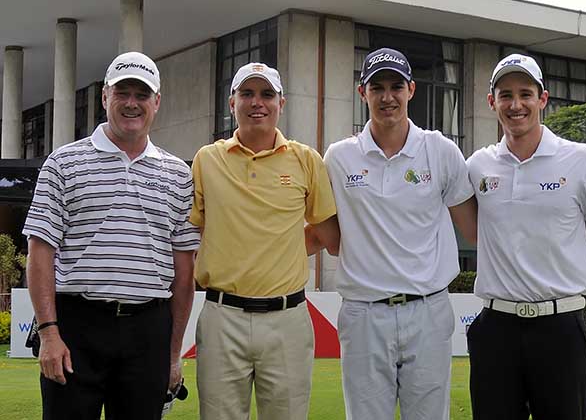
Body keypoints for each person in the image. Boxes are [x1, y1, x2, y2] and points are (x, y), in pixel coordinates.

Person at [23, 51, 200, 419]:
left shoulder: (178, 175)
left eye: (141, 95)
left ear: (157, 102)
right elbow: (40, 254)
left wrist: (172, 355)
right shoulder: (63, 163)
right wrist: (49, 334)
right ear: (105, 97)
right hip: (76, 327)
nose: (132, 104)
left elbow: (184, 275)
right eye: (122, 93)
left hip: (148, 331)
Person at [466, 53, 586, 420]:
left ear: (543, 99)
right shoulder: (477, 165)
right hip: (496, 329)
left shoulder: (579, 158)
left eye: (525, 94)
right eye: (505, 94)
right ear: (491, 102)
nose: (516, 105)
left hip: (559, 329)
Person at [323, 48, 477, 420]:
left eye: (395, 86)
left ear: (411, 89)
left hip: (427, 309)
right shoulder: (338, 157)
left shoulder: (440, 151)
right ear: (363, 93)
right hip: (364, 313)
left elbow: (474, 230)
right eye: (377, 87)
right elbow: (327, 238)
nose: (387, 97)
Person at [190, 62, 338, 420]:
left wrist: (274, 249)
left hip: (287, 320)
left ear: (281, 104)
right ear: (232, 102)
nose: (258, 102)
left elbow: (327, 235)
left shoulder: (306, 160)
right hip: (223, 317)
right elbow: (190, 234)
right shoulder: (206, 160)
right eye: (248, 94)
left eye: (267, 94)